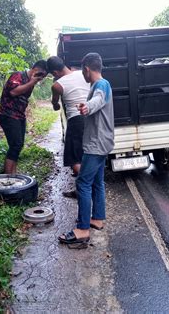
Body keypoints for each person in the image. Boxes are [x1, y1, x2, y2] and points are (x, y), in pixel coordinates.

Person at [58, 52, 114, 247]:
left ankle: (82, 230)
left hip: (96, 144)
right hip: (101, 142)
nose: (83, 74)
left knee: (82, 183)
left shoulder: (101, 85)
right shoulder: (101, 84)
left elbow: (97, 100)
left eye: (83, 71)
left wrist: (86, 108)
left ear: (87, 69)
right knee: (97, 182)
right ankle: (97, 218)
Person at [47, 56, 90, 196]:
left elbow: (55, 104)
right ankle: (83, 189)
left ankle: (86, 189)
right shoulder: (82, 73)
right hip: (92, 116)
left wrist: (56, 104)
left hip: (76, 120)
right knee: (88, 154)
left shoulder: (57, 85)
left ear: (55, 72)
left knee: (75, 159)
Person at [0, 60, 47, 174]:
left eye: (43, 77)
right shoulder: (18, 75)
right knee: (16, 145)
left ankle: (12, 173)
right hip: (8, 115)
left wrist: (32, 82)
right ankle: (8, 176)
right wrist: (32, 82)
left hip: (19, 116)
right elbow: (14, 92)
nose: (41, 78)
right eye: (40, 75)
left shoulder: (30, 81)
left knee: (17, 146)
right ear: (35, 70)